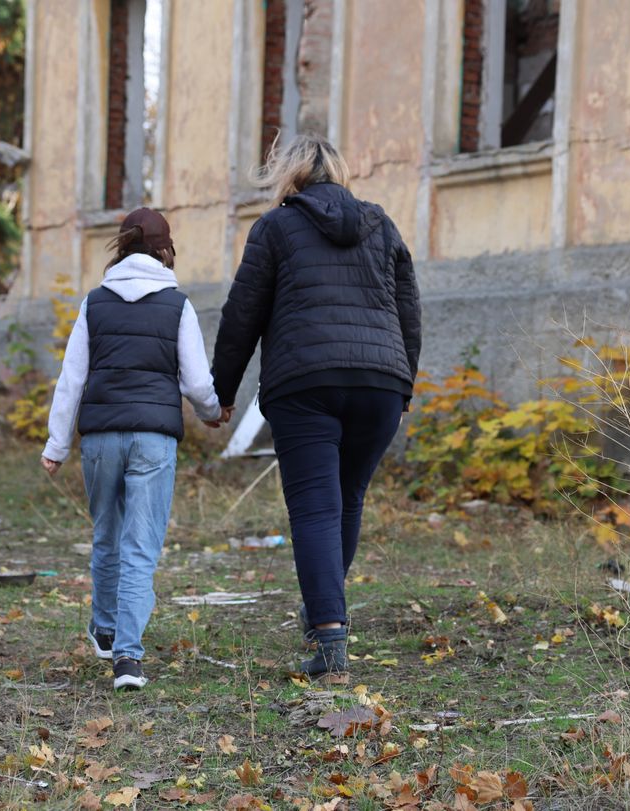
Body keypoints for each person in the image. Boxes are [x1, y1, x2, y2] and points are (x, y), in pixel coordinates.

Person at [211, 133, 422, 682]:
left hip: (304, 383)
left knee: (314, 509)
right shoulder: (381, 224)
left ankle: (329, 641)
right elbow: (408, 309)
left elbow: (242, 315)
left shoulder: (276, 227)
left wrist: (222, 391)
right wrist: (403, 386)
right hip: (379, 382)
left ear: (289, 175)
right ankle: (324, 609)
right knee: (346, 500)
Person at [42, 207, 225, 690]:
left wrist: (57, 444)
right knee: (140, 545)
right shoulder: (176, 304)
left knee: (107, 533)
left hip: (100, 437)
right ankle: (127, 656)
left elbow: (72, 379)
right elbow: (196, 381)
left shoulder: (94, 303)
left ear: (121, 247)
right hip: (153, 438)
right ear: (166, 249)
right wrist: (211, 413)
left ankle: (104, 627)